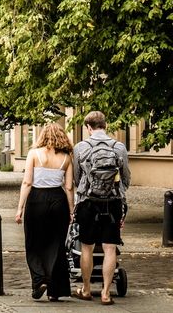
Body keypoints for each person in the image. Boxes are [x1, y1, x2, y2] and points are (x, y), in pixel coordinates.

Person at [71, 111, 129, 305]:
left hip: (88, 202)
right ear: (106, 125)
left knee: (86, 247)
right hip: (112, 203)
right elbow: (126, 177)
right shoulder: (118, 147)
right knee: (110, 248)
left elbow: (77, 178)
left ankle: (86, 289)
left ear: (88, 127)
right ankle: (105, 293)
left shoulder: (80, 147)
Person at [15, 124, 74, 301]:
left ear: (42, 136)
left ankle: (39, 279)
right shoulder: (66, 158)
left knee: (33, 242)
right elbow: (69, 186)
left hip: (36, 200)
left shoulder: (34, 154)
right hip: (58, 200)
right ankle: (55, 291)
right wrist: (71, 210)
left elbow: (27, 182)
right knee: (56, 245)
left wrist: (20, 208)